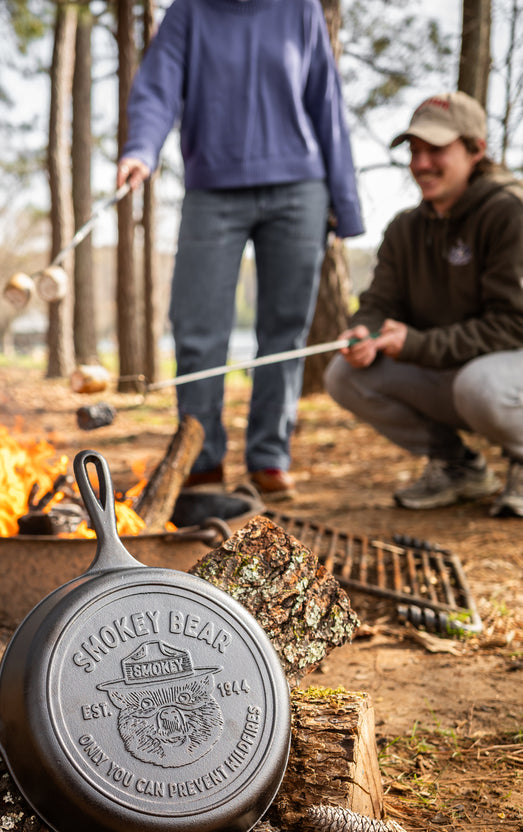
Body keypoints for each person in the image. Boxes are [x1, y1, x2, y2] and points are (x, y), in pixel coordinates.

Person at [116, 0, 363, 500]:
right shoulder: (189, 13)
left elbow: (327, 104)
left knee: (284, 331)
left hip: (300, 189)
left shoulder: (300, 10)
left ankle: (269, 458)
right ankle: (200, 460)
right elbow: (157, 88)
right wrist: (141, 149)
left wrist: (346, 202)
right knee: (197, 329)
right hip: (213, 190)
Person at [325, 91, 523, 517]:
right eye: (414, 151)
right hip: (462, 373)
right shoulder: (404, 229)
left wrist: (414, 345)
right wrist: (366, 330)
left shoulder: (510, 213)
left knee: (481, 385)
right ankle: (460, 468)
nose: (420, 163)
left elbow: (513, 325)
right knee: (345, 374)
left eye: (436, 149)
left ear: (476, 150)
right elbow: (379, 301)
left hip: (504, 373)